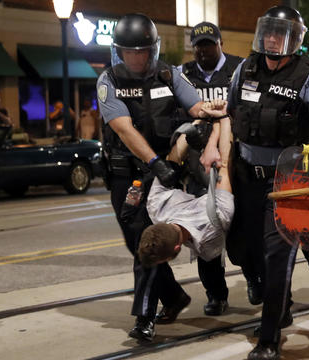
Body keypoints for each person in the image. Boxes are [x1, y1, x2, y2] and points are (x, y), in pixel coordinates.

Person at [201, 6, 309, 359]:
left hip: (290, 180)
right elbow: (229, 113)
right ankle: (280, 307)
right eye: (268, 31)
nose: (272, 39)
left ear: (294, 39)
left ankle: (269, 339)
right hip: (246, 176)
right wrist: (212, 145)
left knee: (277, 256)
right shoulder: (246, 67)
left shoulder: (307, 78)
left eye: (280, 33)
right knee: (244, 249)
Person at [96, 13, 212, 342]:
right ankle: (174, 296)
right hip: (127, 176)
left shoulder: (169, 75)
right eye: (128, 51)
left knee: (147, 243)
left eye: (142, 51)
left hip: (165, 177)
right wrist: (154, 161)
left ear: (153, 49)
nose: (135, 57)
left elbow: (197, 108)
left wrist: (210, 114)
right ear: (119, 51)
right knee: (138, 244)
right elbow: (123, 127)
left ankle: (144, 317)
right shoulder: (109, 81)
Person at [178, 21, 244, 315]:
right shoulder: (183, 74)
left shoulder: (239, 68)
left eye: (209, 44)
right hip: (197, 163)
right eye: (199, 46)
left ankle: (254, 276)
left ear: (220, 44)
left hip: (236, 159)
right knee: (203, 233)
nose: (204, 51)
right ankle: (216, 294)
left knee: (243, 228)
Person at [139, 100, 234, 276]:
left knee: (238, 253)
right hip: (212, 181)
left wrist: (218, 118)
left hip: (222, 188)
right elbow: (174, 158)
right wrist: (211, 119)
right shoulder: (155, 207)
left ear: (177, 248)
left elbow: (225, 167)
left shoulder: (211, 229)